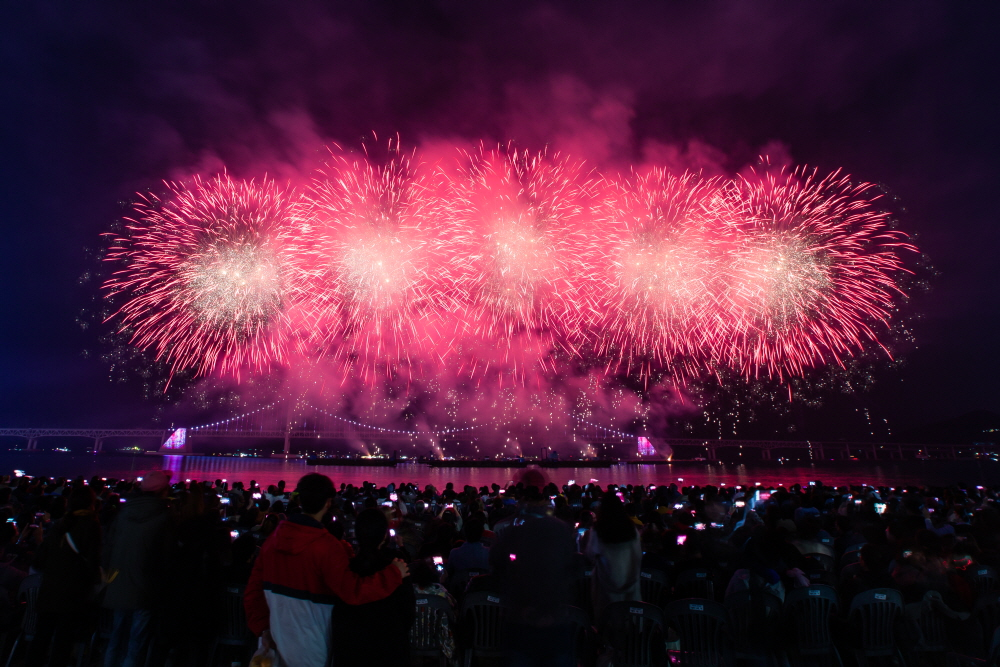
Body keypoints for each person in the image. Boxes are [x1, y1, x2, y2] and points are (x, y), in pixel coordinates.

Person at [244, 473, 409, 667]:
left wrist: (263, 629)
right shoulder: (327, 547)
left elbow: (253, 593)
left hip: (277, 641)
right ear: (328, 503)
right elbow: (353, 592)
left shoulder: (271, 542)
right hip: (314, 647)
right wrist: (393, 574)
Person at [103, 470, 172, 667]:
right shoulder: (165, 517)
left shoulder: (123, 513)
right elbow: (165, 558)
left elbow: (109, 548)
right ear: (163, 491)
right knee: (136, 643)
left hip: (118, 583)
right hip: (145, 589)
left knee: (116, 640)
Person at [28, 486, 102, 667]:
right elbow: (93, 563)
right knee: (63, 643)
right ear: (92, 503)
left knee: (41, 638)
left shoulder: (59, 524)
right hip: (73, 594)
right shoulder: (92, 526)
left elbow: (39, 561)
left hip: (49, 591)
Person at [331, 508, 415, 666]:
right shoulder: (398, 568)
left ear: (356, 535)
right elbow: (408, 614)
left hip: (351, 654)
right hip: (390, 653)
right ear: (384, 536)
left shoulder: (346, 570)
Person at [585, 491, 641, 620]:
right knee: (629, 619)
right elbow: (637, 554)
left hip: (606, 581)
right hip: (629, 579)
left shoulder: (598, 529)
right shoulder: (631, 529)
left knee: (607, 619)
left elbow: (590, 554)